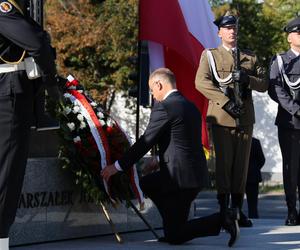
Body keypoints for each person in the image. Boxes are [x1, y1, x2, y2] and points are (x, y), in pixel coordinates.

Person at [102, 68, 239, 247]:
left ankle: (224, 218)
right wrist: (158, 159)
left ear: (159, 84)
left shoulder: (165, 106)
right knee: (151, 187)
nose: (152, 94)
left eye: (152, 89)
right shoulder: (190, 106)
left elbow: (145, 141)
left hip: (179, 179)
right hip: (193, 175)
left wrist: (117, 166)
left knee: (175, 234)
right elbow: (182, 142)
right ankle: (174, 225)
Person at [195, 12, 268, 228]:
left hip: (244, 118)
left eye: (234, 28)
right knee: (224, 166)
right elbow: (201, 82)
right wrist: (225, 102)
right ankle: (223, 211)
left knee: (241, 167)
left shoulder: (250, 57)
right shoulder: (211, 55)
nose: (232, 31)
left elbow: (264, 84)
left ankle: (237, 210)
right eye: (227, 28)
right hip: (222, 117)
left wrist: (248, 79)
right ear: (219, 32)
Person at [0, 1, 60, 249]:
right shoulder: (4, 8)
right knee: (7, 173)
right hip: (8, 97)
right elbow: (36, 43)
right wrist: (50, 81)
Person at [268, 16, 300, 226]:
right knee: (291, 169)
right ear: (289, 37)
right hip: (290, 123)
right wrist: (296, 109)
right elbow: (275, 89)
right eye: (298, 32)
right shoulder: (280, 61)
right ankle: (291, 211)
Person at [245, 137, 265, 219]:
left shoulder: (238, 140)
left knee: (236, 203)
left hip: (240, 174)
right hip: (253, 175)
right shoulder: (255, 142)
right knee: (253, 204)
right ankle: (254, 218)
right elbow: (262, 159)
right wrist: (255, 168)